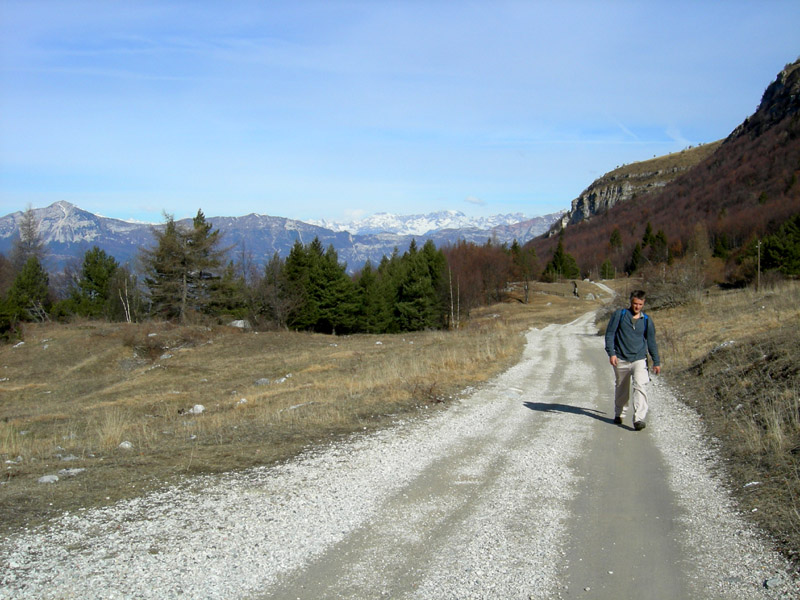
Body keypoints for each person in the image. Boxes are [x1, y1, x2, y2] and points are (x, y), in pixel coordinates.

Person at [604, 290, 661, 430]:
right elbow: (610, 334)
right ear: (631, 302)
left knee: (640, 385)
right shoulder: (620, 315)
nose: (637, 307)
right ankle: (619, 413)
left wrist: (656, 361)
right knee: (621, 387)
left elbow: (651, 341)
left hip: (639, 359)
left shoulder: (647, 320)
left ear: (643, 304)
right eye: (635, 303)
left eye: (640, 304)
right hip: (621, 358)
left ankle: (639, 419)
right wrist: (612, 353)